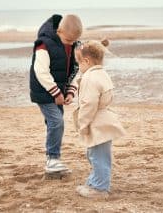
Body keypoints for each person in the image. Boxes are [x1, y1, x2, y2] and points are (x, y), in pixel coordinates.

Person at [30, 14, 83, 173]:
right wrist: (56, 93)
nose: (71, 44)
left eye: (74, 41)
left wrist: (71, 91)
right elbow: (41, 72)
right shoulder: (44, 45)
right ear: (59, 31)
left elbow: (76, 70)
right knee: (57, 122)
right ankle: (53, 159)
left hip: (59, 93)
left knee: (54, 124)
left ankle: (53, 160)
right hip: (44, 92)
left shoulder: (74, 45)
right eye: (68, 40)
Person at [74, 40, 125, 198]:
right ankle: (94, 181)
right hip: (104, 119)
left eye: (79, 63)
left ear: (87, 61)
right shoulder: (102, 73)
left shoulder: (90, 78)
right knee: (96, 154)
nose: (78, 68)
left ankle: (99, 189)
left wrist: (83, 124)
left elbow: (88, 104)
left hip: (96, 121)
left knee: (98, 156)